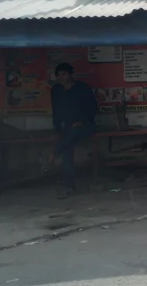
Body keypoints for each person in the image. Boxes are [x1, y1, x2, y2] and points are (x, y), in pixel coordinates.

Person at [47, 62, 98, 199]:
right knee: (67, 146)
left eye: (64, 74)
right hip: (67, 128)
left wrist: (81, 121)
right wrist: (57, 129)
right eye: (58, 75)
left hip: (85, 125)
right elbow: (56, 112)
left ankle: (54, 153)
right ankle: (69, 186)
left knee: (70, 136)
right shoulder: (56, 90)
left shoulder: (83, 88)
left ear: (71, 74)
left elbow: (93, 108)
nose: (61, 78)